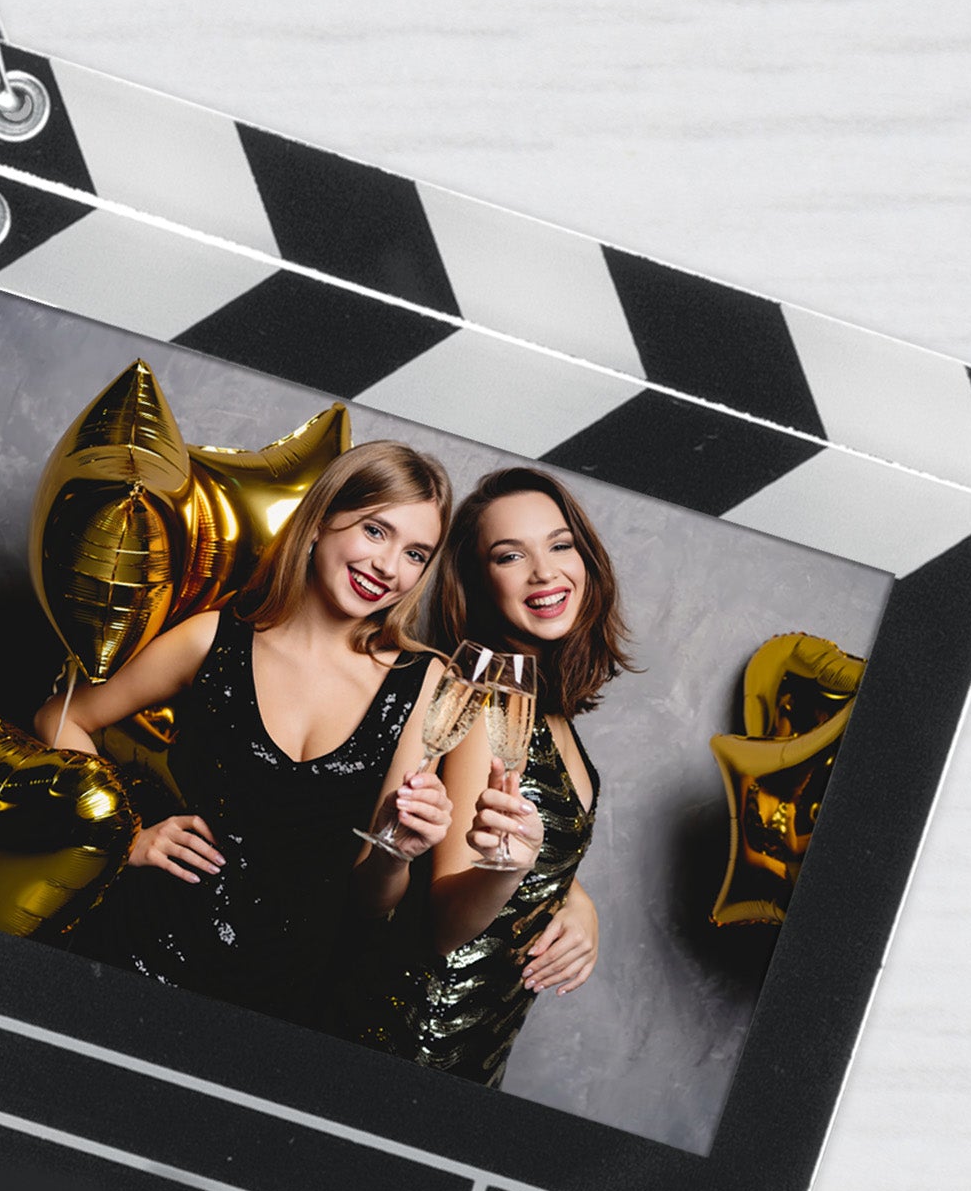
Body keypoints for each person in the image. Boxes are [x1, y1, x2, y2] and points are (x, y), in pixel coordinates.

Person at [34, 441, 457, 1029]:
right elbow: (62, 716)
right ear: (320, 522)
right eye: (375, 531)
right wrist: (124, 835)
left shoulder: (423, 684)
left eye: (415, 553)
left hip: (287, 997)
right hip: (141, 955)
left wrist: (396, 854)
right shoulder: (213, 639)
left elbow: (372, 900)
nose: (390, 567)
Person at [337, 465, 635, 1085]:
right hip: (421, 1035)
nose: (545, 572)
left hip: (481, 1041)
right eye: (509, 556)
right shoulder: (487, 704)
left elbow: (534, 845)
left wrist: (577, 901)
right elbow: (446, 919)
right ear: (479, 581)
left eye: (560, 545)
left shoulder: (544, 706)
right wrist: (515, 870)